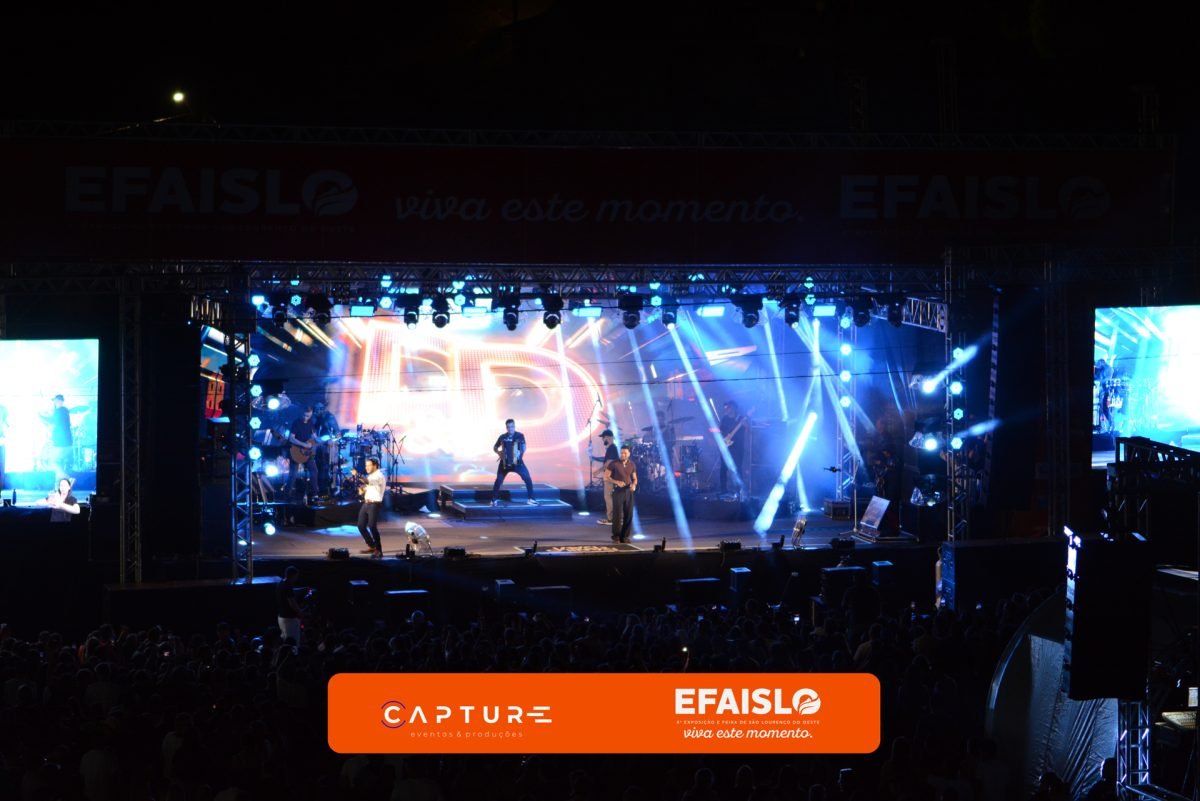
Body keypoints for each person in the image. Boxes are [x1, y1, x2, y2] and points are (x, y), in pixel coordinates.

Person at [492, 419, 537, 505]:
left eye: (512, 426)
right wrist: (499, 452)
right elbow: (495, 447)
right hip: (504, 463)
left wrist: (520, 454)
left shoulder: (520, 435)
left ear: (514, 426)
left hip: (517, 463)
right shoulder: (502, 437)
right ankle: (494, 500)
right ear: (506, 428)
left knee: (527, 478)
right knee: (498, 480)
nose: (510, 429)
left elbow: (524, 447)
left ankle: (530, 499)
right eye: (508, 427)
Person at [40, 394, 87, 477]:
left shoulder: (59, 411)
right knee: (59, 463)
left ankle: (66, 477)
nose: (54, 402)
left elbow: (51, 421)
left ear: (58, 401)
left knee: (53, 462)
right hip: (66, 442)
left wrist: (40, 415)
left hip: (61, 443)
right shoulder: (64, 411)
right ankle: (61, 480)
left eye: (55, 400)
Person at [286, 406, 319, 504]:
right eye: (304, 415)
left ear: (311, 414)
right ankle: (287, 495)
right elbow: (291, 438)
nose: (305, 417)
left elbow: (314, 437)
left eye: (308, 416)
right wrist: (304, 444)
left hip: (306, 453)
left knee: (314, 471)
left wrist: (319, 440)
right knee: (293, 474)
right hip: (295, 451)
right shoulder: (296, 423)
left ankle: (315, 494)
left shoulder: (311, 423)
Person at [606, 445, 638, 543]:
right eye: (621, 453)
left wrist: (634, 485)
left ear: (629, 454)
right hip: (618, 491)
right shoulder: (614, 463)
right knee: (617, 514)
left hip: (628, 491)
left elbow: (635, 478)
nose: (622, 454)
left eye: (625, 453)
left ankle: (624, 536)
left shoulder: (632, 464)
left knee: (629, 514)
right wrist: (617, 482)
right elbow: (606, 477)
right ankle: (616, 536)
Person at [356, 457, 386, 558]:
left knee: (372, 526)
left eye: (369, 465)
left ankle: (379, 550)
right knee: (361, 526)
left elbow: (367, 481)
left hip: (374, 504)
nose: (366, 467)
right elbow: (369, 486)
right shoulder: (372, 476)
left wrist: (357, 475)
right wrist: (363, 490)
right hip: (366, 503)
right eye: (366, 465)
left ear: (375, 466)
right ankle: (372, 546)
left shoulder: (379, 475)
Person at [588, 429, 619, 524]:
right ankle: (616, 518)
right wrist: (593, 457)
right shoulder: (611, 448)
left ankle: (611, 519)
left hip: (610, 475)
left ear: (608, 437)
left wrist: (598, 471)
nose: (602, 440)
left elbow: (608, 462)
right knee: (611, 497)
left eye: (603, 437)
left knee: (608, 496)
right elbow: (606, 460)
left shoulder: (612, 448)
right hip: (612, 475)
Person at [718, 401, 747, 496]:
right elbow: (720, 431)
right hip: (726, 447)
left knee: (737, 469)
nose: (727, 409)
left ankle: (738, 490)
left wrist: (745, 424)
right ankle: (723, 489)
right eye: (726, 407)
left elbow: (748, 428)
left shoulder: (741, 418)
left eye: (729, 407)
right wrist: (724, 438)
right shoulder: (724, 419)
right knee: (723, 468)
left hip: (737, 448)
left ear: (734, 408)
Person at [311, 401, 340, 497]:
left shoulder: (329, 417)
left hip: (325, 447)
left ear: (322, 409)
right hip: (313, 447)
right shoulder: (313, 417)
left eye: (318, 409)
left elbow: (337, 433)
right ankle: (315, 490)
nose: (316, 411)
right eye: (315, 409)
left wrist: (330, 439)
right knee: (314, 468)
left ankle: (323, 490)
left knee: (324, 468)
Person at [276, 566, 303, 647]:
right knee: (292, 643)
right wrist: (300, 612)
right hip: (289, 620)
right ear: (293, 576)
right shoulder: (288, 586)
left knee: (285, 640)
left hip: (281, 617)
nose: (296, 579)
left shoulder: (281, 583)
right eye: (296, 576)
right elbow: (292, 603)